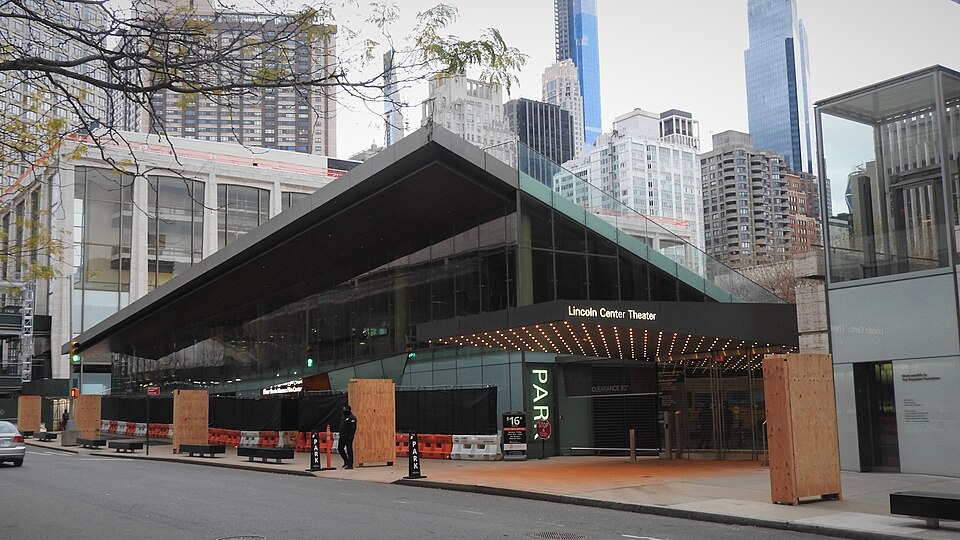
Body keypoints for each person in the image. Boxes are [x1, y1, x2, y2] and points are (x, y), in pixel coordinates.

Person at [338, 404, 357, 469]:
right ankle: (346, 461)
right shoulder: (343, 417)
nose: (344, 410)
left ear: (348, 410)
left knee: (349, 449)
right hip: (342, 435)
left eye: (345, 409)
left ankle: (350, 464)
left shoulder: (352, 418)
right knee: (340, 448)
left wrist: (351, 436)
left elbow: (353, 428)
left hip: (348, 436)